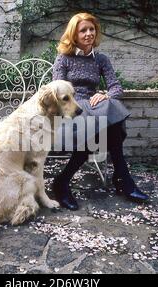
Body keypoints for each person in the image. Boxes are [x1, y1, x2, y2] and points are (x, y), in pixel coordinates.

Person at [51, 12, 149, 211]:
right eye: (83, 30)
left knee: (109, 109)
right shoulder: (64, 59)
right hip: (72, 111)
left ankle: (62, 182)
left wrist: (106, 95)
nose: (88, 33)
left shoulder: (101, 59)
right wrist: (80, 103)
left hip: (94, 111)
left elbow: (116, 87)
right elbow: (58, 91)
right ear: (74, 34)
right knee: (106, 126)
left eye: (91, 29)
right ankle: (123, 179)